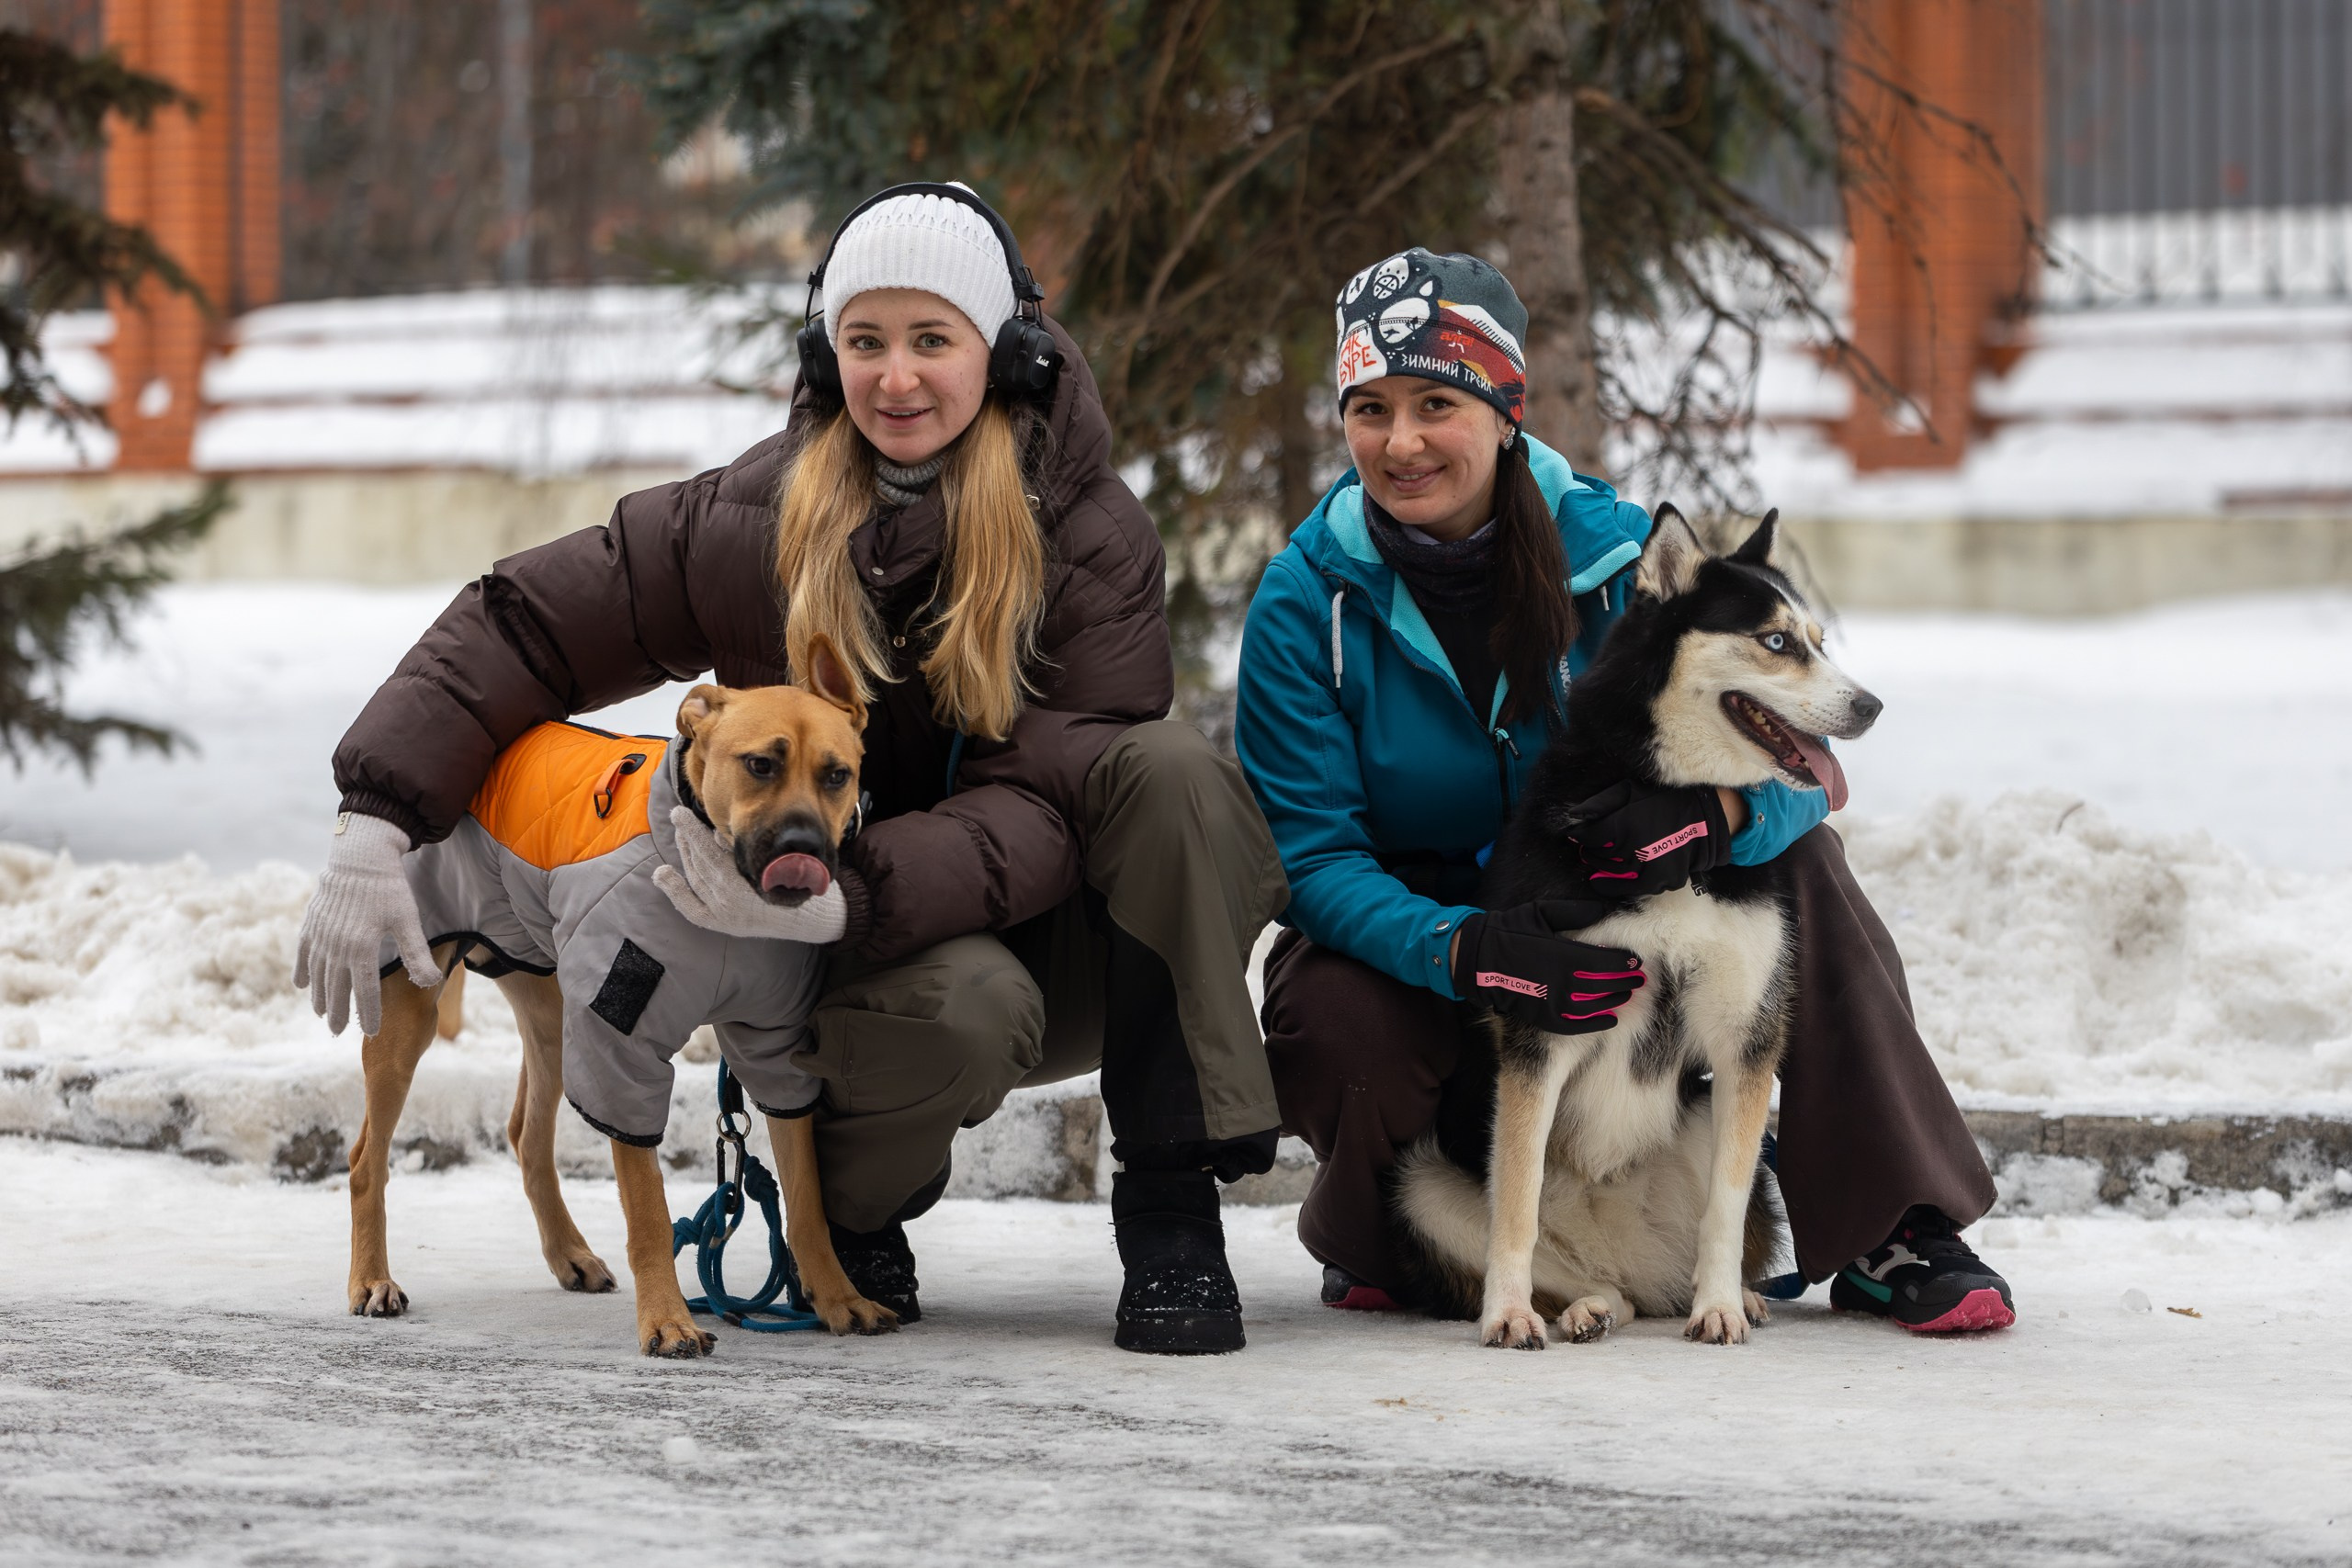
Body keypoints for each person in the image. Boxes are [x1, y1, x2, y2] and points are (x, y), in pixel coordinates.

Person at [293, 183, 1288, 1355]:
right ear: (828, 355)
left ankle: (1172, 1203)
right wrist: (380, 809)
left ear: (1005, 352)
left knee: (1172, 773)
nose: (896, 379)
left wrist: (848, 895)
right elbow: (529, 623)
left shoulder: (1088, 535)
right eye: (864, 341)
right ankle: (856, 1221)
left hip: (1037, 937)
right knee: (963, 1003)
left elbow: (1052, 795)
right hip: (894, 973)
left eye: (933, 340)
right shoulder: (755, 517)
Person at [1235, 247, 2013, 1336]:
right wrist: (1464, 946)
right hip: (1430, 935)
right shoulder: (1304, 599)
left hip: (1620, 903)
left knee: (1802, 872)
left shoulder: (1615, 557)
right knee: (1327, 1009)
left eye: (1435, 403)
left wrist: (1721, 815)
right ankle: (1399, 1231)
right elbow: (1311, 857)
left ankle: (1898, 1221)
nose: (1399, 441)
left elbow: (1793, 760)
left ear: (1505, 410)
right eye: (1369, 408)